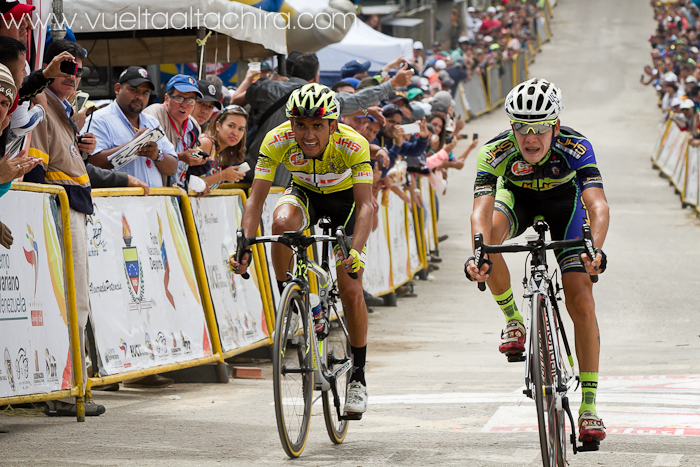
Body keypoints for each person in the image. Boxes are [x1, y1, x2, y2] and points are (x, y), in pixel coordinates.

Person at [465, 78, 609, 445]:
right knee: (488, 242)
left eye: (540, 128)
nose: (531, 138)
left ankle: (589, 406)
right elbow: (480, 212)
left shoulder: (576, 146)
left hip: (566, 207)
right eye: (522, 128)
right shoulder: (494, 151)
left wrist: (594, 249)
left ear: (555, 126)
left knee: (581, 298)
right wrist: (478, 253)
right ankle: (514, 319)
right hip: (518, 202)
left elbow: (598, 204)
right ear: (511, 127)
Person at [230, 83, 374, 414]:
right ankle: (290, 297)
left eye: (317, 126)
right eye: (301, 125)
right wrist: (244, 242)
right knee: (280, 224)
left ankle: (358, 377)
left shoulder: (354, 143)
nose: (308, 135)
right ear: (291, 123)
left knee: (351, 288)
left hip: (346, 203)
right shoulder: (277, 139)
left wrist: (354, 251)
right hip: (304, 192)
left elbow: (366, 205)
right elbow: (256, 198)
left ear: (333, 125)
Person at [22, 40, 105, 416]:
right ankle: (66, 393)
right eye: (67, 68)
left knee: (77, 303)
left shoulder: (63, 109)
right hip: (59, 212)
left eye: (78, 71)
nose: (73, 77)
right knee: (71, 302)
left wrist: (81, 147)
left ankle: (72, 388)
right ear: (50, 66)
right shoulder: (41, 104)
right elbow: (36, 173)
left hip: (71, 210)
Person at [85, 66, 178, 188]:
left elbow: (172, 168)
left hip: (154, 198)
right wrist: (132, 146)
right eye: (134, 90)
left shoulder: (152, 122)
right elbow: (90, 164)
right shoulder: (98, 119)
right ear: (118, 89)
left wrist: (157, 155)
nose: (139, 97)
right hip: (119, 199)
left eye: (145, 93)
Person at [143, 74, 207, 186]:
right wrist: (181, 156)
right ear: (167, 98)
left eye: (190, 100)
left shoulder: (194, 126)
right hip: (154, 189)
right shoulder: (154, 114)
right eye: (179, 98)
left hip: (179, 189)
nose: (184, 105)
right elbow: (145, 153)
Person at [196, 105, 248, 189]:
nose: (235, 133)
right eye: (231, 126)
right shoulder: (206, 143)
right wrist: (223, 176)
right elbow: (188, 183)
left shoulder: (219, 153)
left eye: (240, 129)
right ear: (218, 125)